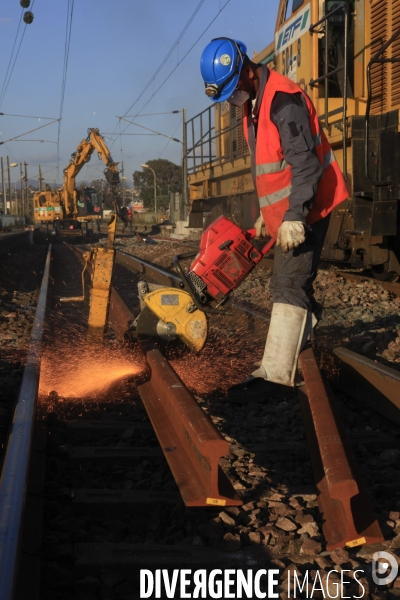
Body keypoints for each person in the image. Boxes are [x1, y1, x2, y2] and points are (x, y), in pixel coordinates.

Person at [200, 38, 348, 388]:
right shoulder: (254, 104)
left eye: (233, 89)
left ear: (248, 72)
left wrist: (294, 216)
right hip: (291, 209)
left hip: (310, 205)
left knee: (287, 283)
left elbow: (305, 166)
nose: (232, 98)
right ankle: (303, 341)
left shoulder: (282, 101)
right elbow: (273, 170)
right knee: (290, 284)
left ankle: (277, 378)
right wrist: (267, 217)